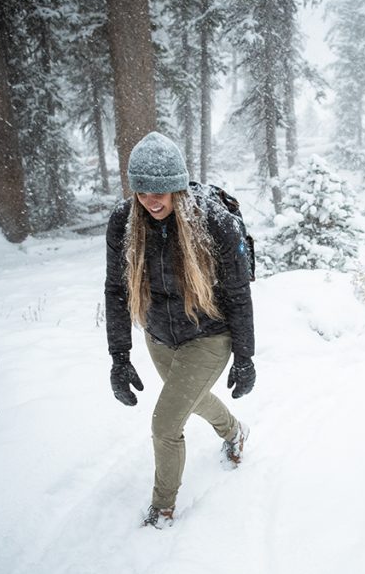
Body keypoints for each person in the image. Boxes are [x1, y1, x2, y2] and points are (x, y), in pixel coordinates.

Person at [104, 131, 256, 529]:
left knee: (165, 423)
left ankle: (162, 508)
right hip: (159, 335)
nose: (152, 201)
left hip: (209, 333)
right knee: (193, 397)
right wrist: (119, 358)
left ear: (178, 187)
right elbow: (116, 290)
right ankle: (235, 432)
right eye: (143, 192)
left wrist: (245, 357)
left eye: (162, 191)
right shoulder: (124, 222)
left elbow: (239, 293)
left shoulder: (214, 223)